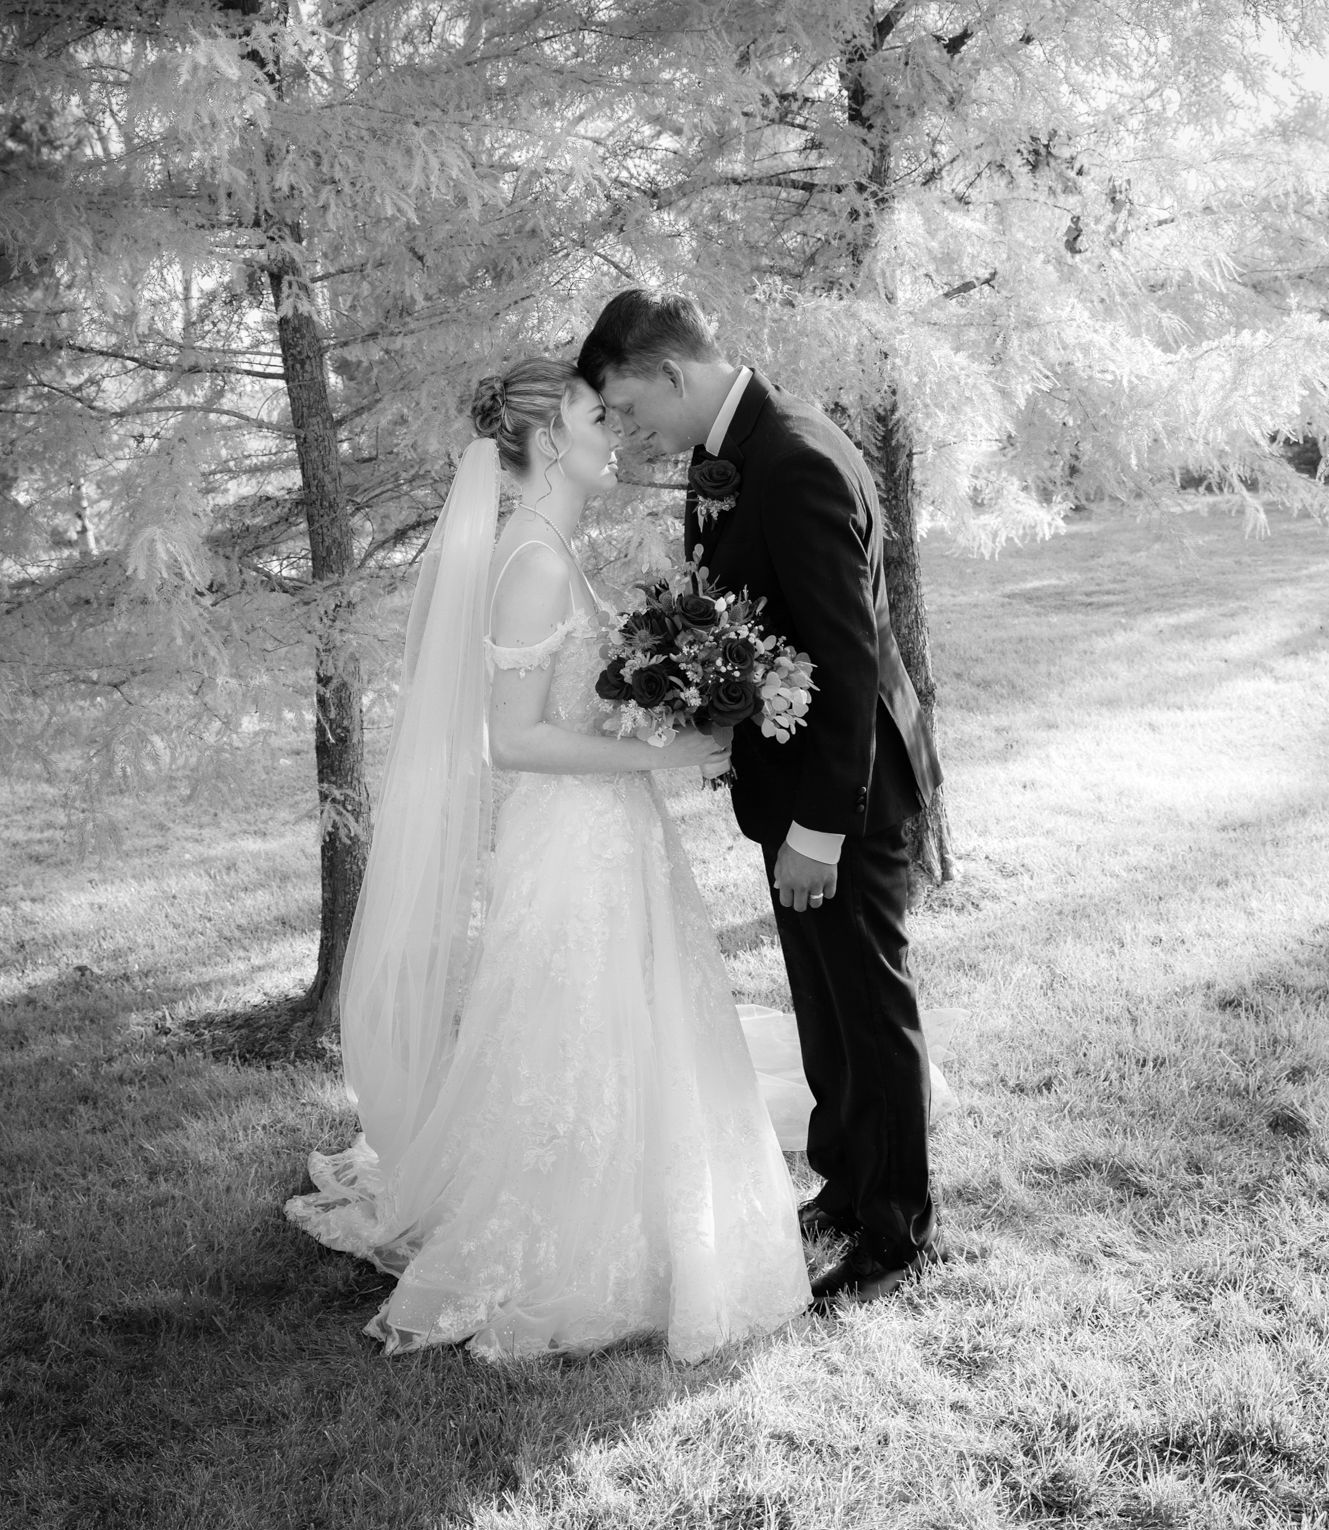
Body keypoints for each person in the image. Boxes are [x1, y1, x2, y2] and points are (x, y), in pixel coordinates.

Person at [286, 357, 811, 1358]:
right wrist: (659, 749)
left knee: (624, 1026)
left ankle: (653, 1215)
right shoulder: (529, 559)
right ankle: (567, 1242)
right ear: (541, 438)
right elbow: (512, 738)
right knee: (579, 1034)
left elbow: (577, 697)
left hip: (607, 829)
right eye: (591, 415)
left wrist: (663, 700)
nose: (612, 429)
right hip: (571, 842)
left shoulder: (552, 547)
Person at [579, 293, 945, 1306]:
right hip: (787, 793)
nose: (625, 427)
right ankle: (845, 1181)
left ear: (668, 371)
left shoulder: (793, 458)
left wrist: (821, 828)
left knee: (869, 1006)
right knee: (822, 1004)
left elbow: (847, 653)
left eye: (623, 403)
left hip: (848, 796)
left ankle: (897, 1228)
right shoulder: (724, 453)